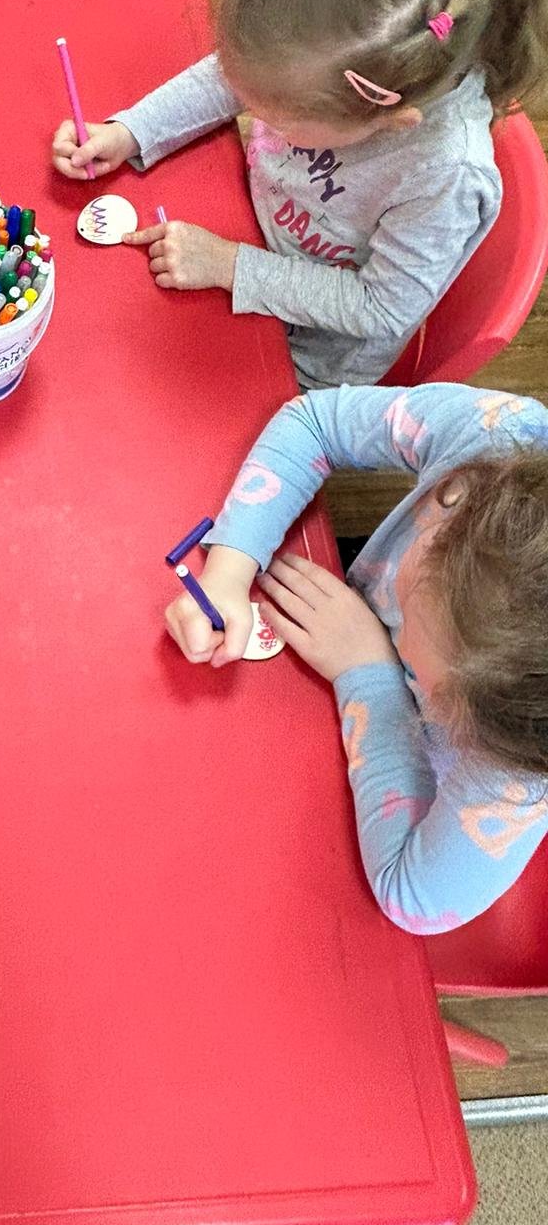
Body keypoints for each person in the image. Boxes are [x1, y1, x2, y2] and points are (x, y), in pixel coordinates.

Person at [53, 0, 548, 389]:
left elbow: (380, 307)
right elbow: (241, 76)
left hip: (305, 357)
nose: (260, 115)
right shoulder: (333, 70)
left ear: (390, 120)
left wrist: (229, 265)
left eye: (279, 118)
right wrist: (132, 131)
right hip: (243, 236)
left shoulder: (445, 177)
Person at [164, 381, 548, 934]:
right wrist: (229, 569)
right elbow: (314, 422)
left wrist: (369, 673)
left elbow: (413, 898)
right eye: (410, 601)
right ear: (456, 494)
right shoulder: (496, 439)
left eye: (427, 675)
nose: (399, 634)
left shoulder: (517, 767)